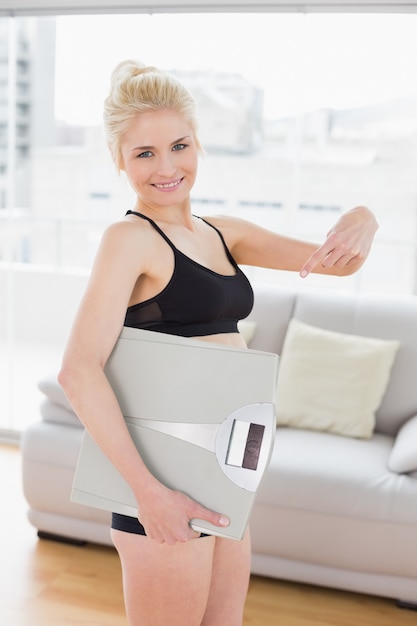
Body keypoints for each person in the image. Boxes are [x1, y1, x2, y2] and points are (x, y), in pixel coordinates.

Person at [58, 59, 378, 626]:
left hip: (227, 467)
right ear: (119, 160)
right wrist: (149, 495)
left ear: (198, 144)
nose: (166, 167)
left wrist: (364, 216)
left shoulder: (223, 233)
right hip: (160, 477)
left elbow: (338, 265)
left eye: (179, 145)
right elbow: (79, 372)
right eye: (144, 154)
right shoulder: (128, 239)